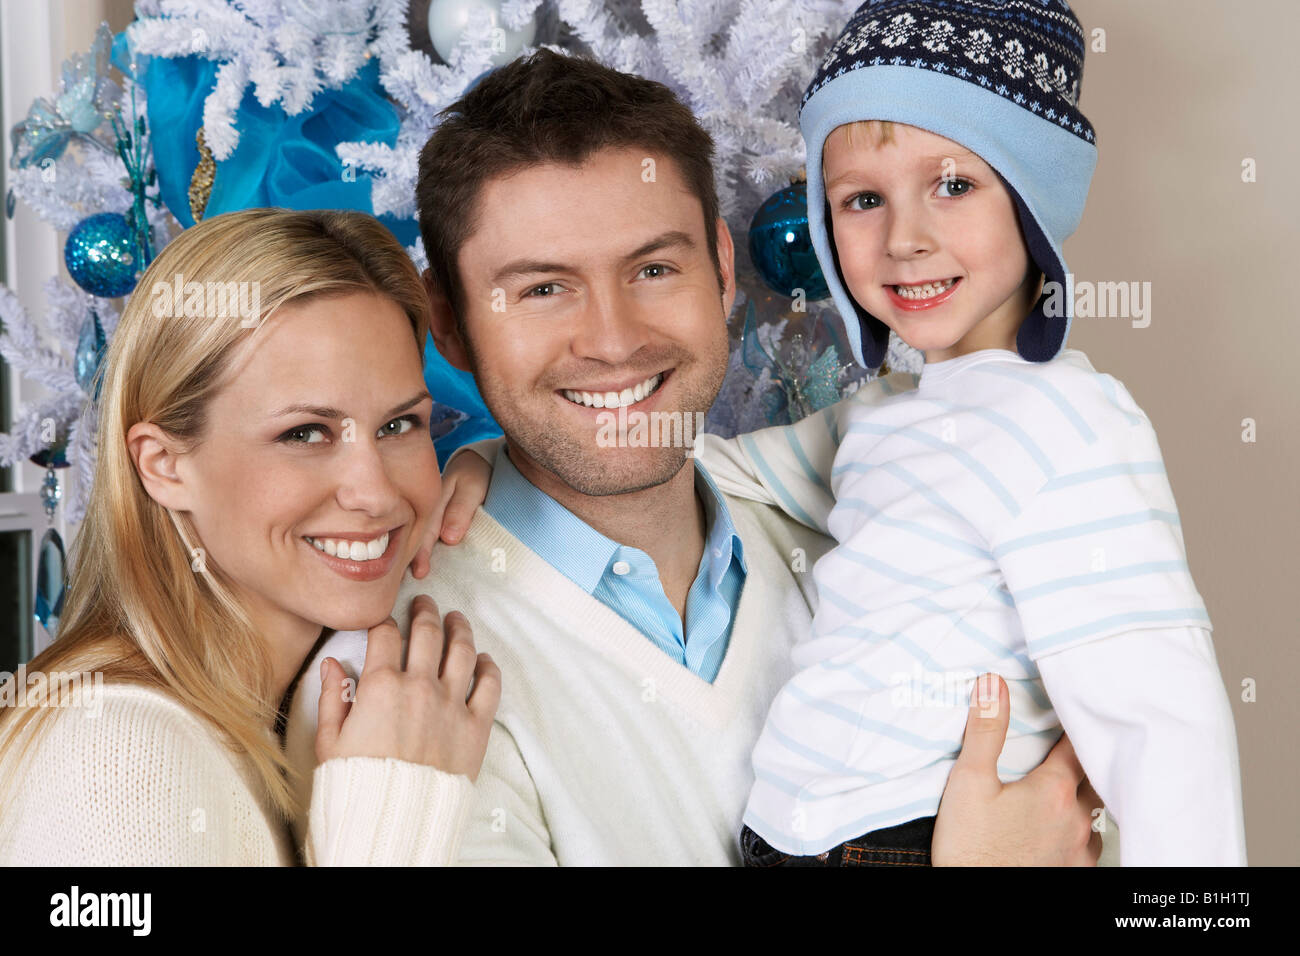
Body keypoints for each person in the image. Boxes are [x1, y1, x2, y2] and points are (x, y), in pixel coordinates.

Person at [286, 49, 1106, 866]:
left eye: (653, 268)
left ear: (720, 269)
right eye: (543, 289)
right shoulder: (399, 691)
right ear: (451, 321)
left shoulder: (869, 542)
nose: (613, 340)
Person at [694, 0, 1245, 866]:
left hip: (916, 838)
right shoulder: (878, 417)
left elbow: (1160, 713)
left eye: (953, 185)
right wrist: (496, 467)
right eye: (862, 200)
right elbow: (715, 470)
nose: (905, 239)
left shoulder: (1067, 422)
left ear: (1031, 198)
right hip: (790, 837)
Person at [0, 208, 500, 865]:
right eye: (304, 434)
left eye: (399, 426)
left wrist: (497, 465)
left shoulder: (284, 718)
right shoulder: (116, 757)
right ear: (164, 465)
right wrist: (394, 815)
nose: (376, 492)